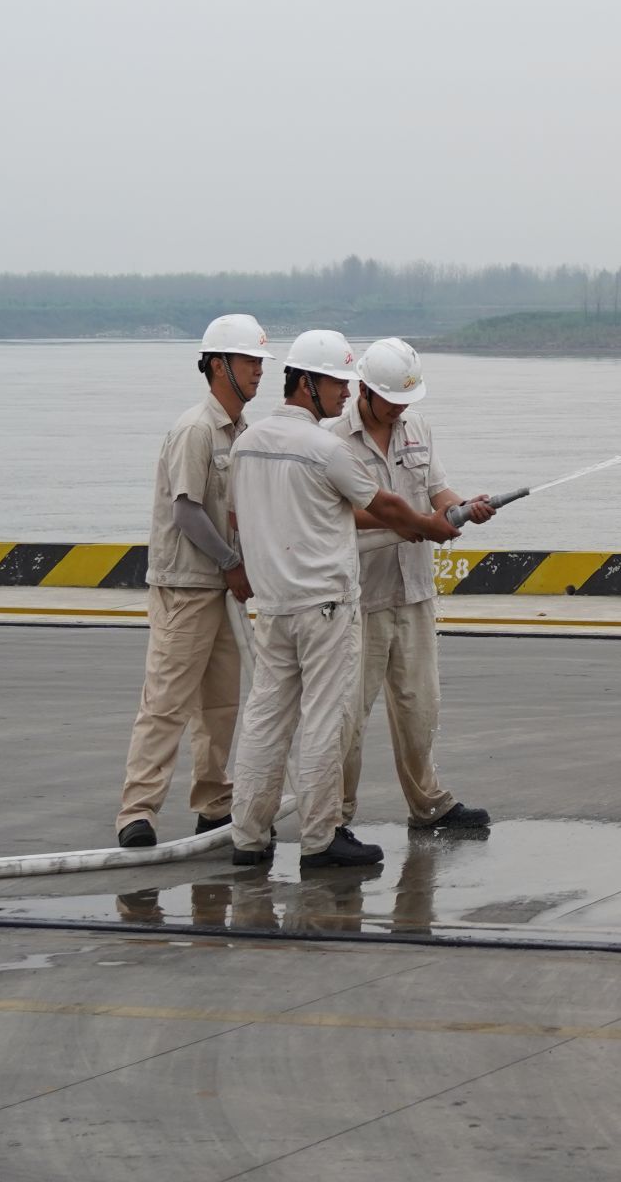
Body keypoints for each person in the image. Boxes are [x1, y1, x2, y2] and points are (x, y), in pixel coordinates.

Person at [225, 328, 459, 873]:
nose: (343, 393)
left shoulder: (247, 443)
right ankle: (320, 837)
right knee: (326, 721)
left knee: (264, 720)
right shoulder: (326, 447)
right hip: (326, 605)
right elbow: (386, 507)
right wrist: (427, 526)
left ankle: (248, 836)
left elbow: (239, 518)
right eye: (336, 383)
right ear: (306, 382)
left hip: (274, 605)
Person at [329, 337, 493, 835]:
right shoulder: (334, 439)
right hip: (361, 597)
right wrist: (415, 524)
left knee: (420, 706)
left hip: (415, 590)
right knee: (348, 716)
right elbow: (339, 513)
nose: (399, 408)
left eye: (406, 399)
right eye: (391, 400)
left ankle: (428, 805)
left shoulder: (417, 427)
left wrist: (464, 508)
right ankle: (335, 818)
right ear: (364, 390)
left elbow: (437, 491)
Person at [114, 314, 267, 849]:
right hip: (187, 587)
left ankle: (214, 805)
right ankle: (137, 813)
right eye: (250, 361)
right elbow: (187, 512)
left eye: (261, 363)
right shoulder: (195, 430)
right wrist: (231, 563)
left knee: (220, 706)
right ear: (218, 366)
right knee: (166, 703)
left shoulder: (241, 432)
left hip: (221, 588)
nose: (259, 371)